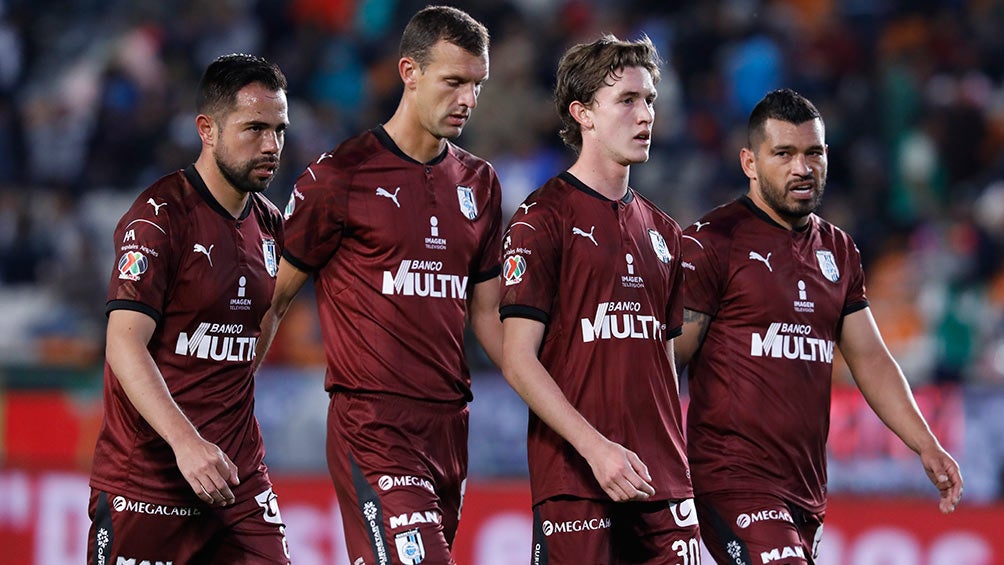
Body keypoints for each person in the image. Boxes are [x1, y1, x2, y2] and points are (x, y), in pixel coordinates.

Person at [254, 6, 502, 565]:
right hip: (372, 423)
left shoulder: (480, 183)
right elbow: (274, 297)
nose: (467, 99)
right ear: (409, 72)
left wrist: (562, 402)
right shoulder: (340, 175)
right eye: (454, 82)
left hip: (450, 425)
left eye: (477, 85)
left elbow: (489, 317)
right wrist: (221, 405)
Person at [675, 88, 964, 564]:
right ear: (750, 161)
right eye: (784, 154)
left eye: (813, 153)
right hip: (731, 479)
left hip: (806, 490)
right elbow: (669, 358)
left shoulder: (839, 250)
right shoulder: (713, 242)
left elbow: (870, 358)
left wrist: (926, 444)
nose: (801, 168)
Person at [499, 34, 700, 563]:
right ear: (582, 113)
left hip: (664, 484)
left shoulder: (665, 232)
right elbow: (518, 359)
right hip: (577, 477)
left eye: (650, 100)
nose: (645, 115)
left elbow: (664, 361)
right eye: (627, 100)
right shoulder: (541, 218)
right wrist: (596, 449)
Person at [87, 53, 290, 564]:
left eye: (279, 130)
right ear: (208, 129)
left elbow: (266, 319)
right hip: (149, 480)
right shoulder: (159, 219)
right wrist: (186, 442)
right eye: (255, 129)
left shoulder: (271, 225)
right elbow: (123, 342)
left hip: (237, 480)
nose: (271, 145)